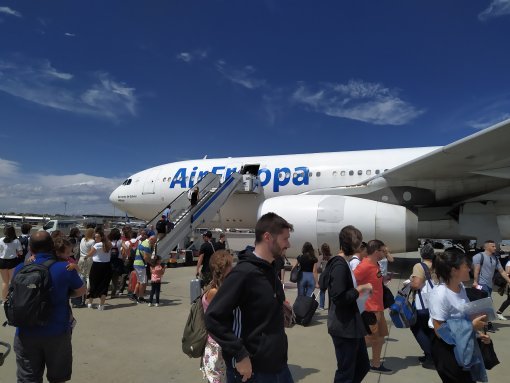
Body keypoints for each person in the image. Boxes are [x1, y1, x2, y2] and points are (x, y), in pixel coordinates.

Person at [205, 212, 294, 383]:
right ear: (268, 237)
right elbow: (213, 317)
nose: (288, 244)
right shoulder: (243, 274)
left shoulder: (271, 270)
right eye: (285, 239)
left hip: (279, 367)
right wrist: (239, 354)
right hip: (252, 372)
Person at [13, 231, 85, 383]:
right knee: (57, 378)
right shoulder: (65, 268)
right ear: (52, 246)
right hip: (57, 332)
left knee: (28, 378)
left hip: (25, 331)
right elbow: (81, 291)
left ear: (31, 249)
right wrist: (65, 293)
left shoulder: (20, 268)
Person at [428, 248, 491, 383]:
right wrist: (471, 327)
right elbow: (439, 330)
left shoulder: (460, 287)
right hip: (447, 349)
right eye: (465, 266)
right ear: (454, 270)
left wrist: (478, 334)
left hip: (463, 342)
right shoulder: (440, 295)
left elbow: (463, 316)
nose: (469, 268)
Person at [354, 239, 392, 374]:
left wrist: (385, 279)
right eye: (383, 251)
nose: (385, 253)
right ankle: (352, 357)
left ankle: (375, 364)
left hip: (378, 307)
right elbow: (352, 284)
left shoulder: (375, 264)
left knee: (379, 338)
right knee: (371, 339)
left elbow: (374, 280)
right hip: (370, 309)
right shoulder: (364, 266)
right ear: (377, 252)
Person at [201, 250, 233, 383]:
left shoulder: (212, 287)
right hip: (218, 344)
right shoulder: (217, 292)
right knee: (218, 378)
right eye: (231, 266)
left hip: (215, 342)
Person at [409, 243, 437, 368]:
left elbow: (417, 284)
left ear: (422, 254)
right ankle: (430, 354)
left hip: (422, 304)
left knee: (416, 328)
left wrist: (409, 283)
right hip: (434, 302)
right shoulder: (437, 265)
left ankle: (430, 355)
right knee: (430, 329)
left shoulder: (420, 266)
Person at [472, 240, 510, 330]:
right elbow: (476, 270)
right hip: (481, 284)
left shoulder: (495, 259)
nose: (495, 248)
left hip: (489, 285)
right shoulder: (479, 257)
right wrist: (475, 282)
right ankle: (487, 324)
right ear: (487, 247)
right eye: (493, 246)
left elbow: (502, 272)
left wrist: (509, 281)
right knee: (488, 302)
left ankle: (480, 322)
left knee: (483, 304)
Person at [86, 231, 112, 310]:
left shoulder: (97, 245)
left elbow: (90, 254)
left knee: (93, 282)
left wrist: (85, 256)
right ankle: (101, 305)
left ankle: (90, 302)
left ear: (101, 237)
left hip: (97, 265)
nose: (95, 238)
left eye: (97, 237)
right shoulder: (109, 244)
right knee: (104, 284)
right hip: (107, 265)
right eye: (95, 237)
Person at [0, 225, 22, 304]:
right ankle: (13, 299)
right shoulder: (16, 241)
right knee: (12, 282)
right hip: (12, 262)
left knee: (4, 282)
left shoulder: (1, 240)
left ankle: (4, 300)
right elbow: (20, 252)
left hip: (2, 262)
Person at [132, 231, 153, 303]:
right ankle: (140, 297)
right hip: (141, 264)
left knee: (139, 281)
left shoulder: (142, 243)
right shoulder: (147, 244)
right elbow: (146, 257)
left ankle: (134, 295)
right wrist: (152, 263)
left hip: (136, 263)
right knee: (143, 282)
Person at [318, 242, 332, 310]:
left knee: (322, 291)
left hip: (323, 275)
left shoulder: (321, 257)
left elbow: (317, 267)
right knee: (330, 291)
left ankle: (321, 306)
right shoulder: (332, 257)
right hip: (330, 274)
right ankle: (331, 306)